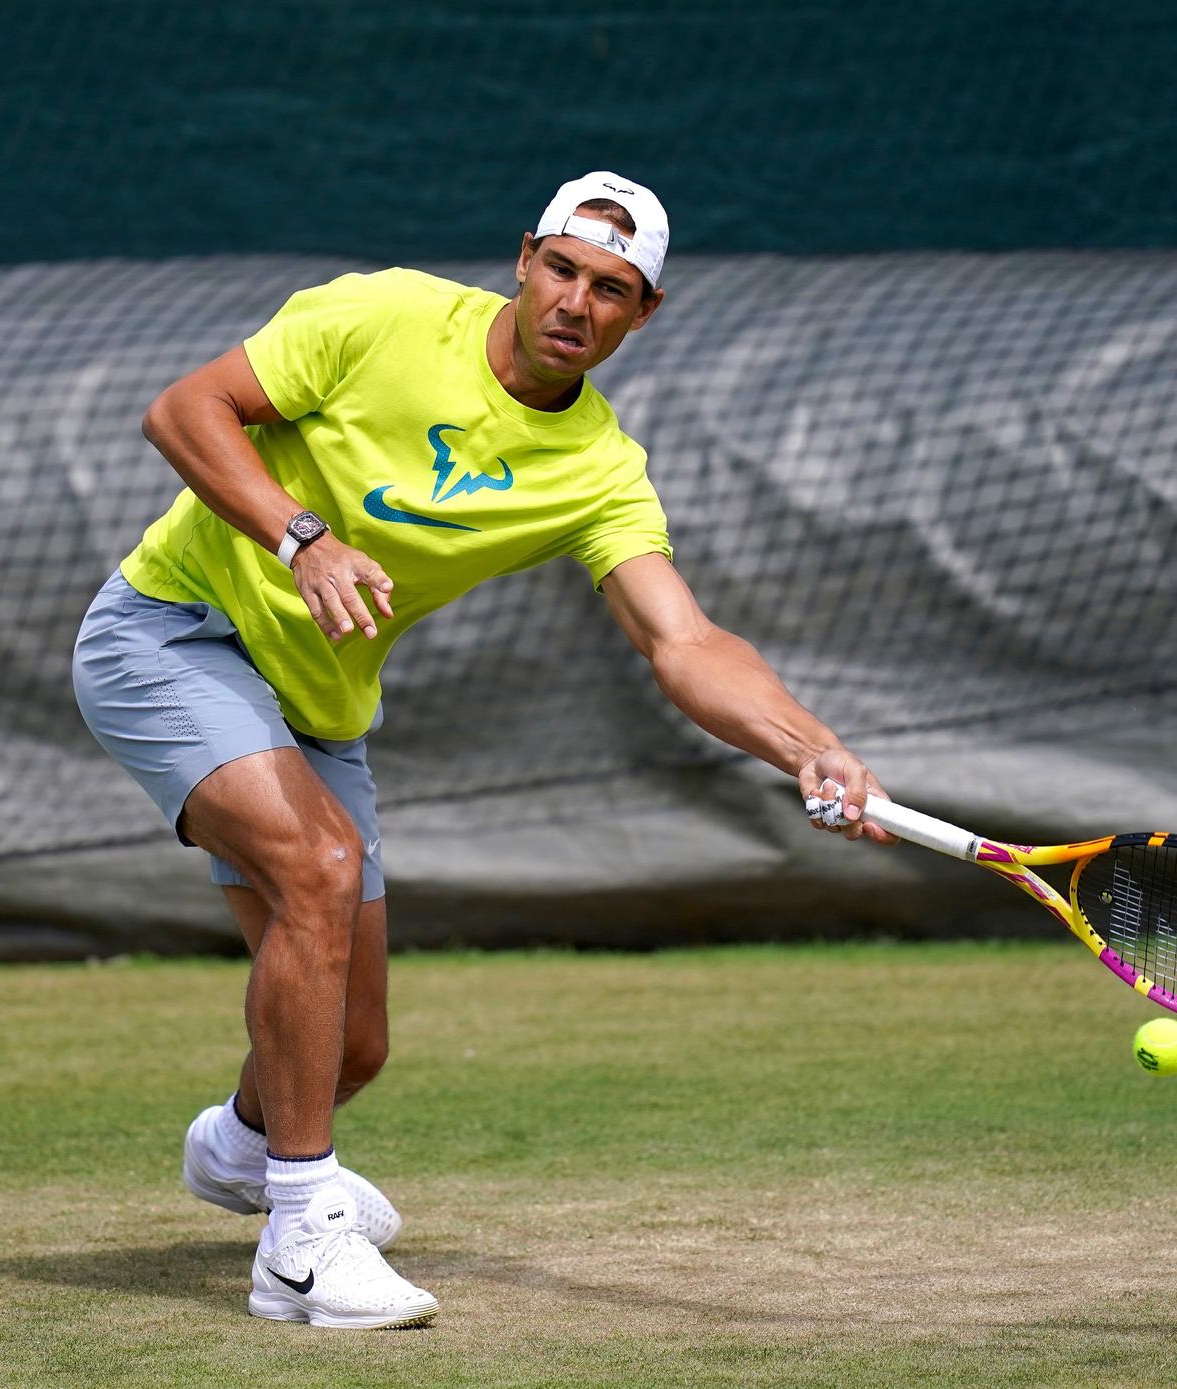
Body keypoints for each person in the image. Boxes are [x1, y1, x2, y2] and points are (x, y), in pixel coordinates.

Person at [71, 172, 892, 1331]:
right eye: (561, 268)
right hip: (169, 633)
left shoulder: (599, 469)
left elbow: (683, 639)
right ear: (522, 258)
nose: (575, 302)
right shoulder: (387, 315)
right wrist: (299, 535)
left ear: (641, 314)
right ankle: (298, 1243)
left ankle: (243, 1147)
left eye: (611, 289)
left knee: (351, 1048)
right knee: (317, 868)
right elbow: (183, 411)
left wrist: (811, 746)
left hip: (316, 700)